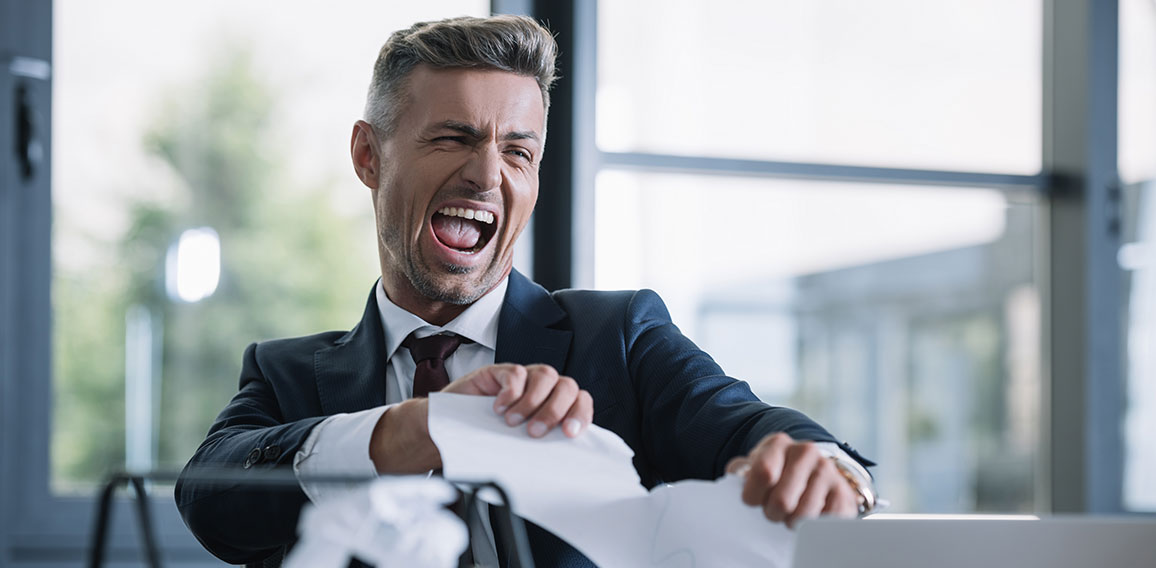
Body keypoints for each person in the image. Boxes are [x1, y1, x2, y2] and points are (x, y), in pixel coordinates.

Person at [176, 14, 876, 567]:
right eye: (453, 138)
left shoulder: (619, 336)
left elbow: (747, 425)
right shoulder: (288, 373)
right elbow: (209, 500)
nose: (487, 177)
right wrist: (408, 432)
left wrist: (827, 472)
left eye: (518, 151)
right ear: (369, 155)